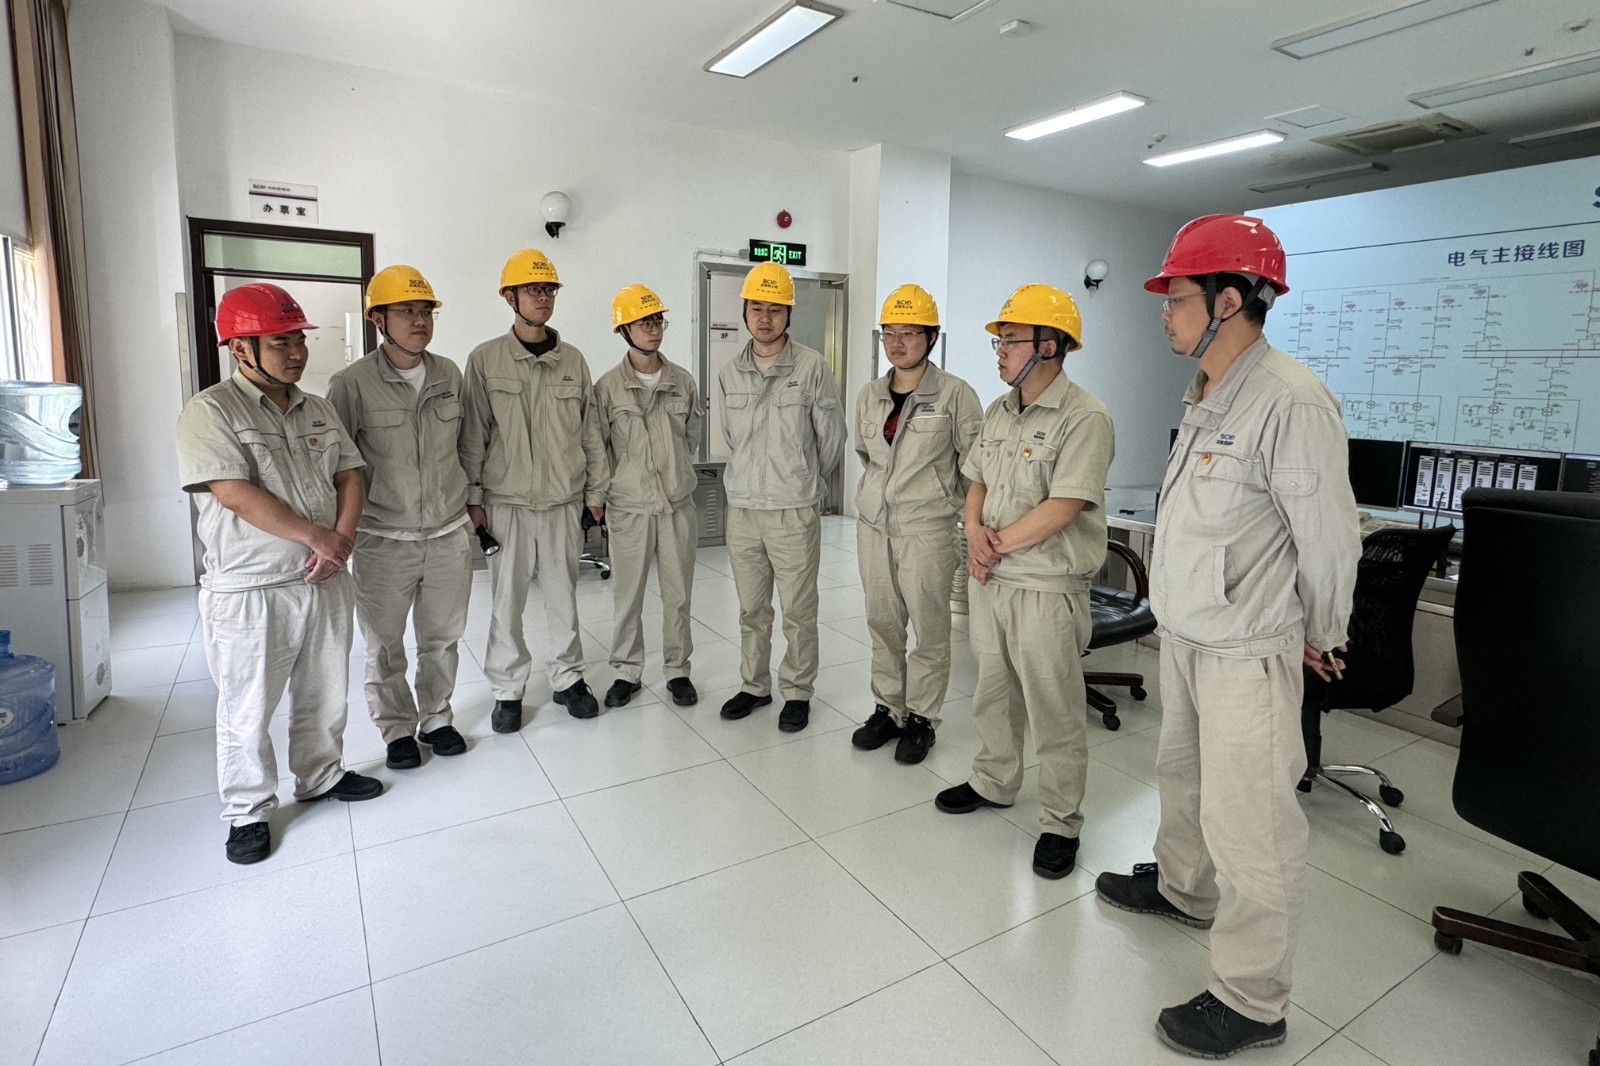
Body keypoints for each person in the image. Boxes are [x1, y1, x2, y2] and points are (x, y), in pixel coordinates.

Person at [1094, 214, 1360, 1059]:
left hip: (1248, 648)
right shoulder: (1208, 390)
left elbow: (1329, 538)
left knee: (1252, 825)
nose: (1164, 313)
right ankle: (1184, 890)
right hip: (1190, 635)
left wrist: (1324, 630)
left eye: (1176, 297)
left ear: (1230, 299)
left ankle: (1252, 999)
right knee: (1184, 782)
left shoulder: (1291, 399)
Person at [176, 283, 384, 866]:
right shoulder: (211, 411)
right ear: (239, 347)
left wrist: (341, 541)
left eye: (298, 340)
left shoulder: (316, 408)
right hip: (252, 587)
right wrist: (320, 537)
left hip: (323, 576)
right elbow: (233, 492)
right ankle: (248, 809)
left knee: (324, 690)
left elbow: (349, 474)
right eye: (279, 342)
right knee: (247, 706)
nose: (296, 353)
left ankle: (320, 775)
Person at [932, 284, 1113, 882]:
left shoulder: (1084, 416)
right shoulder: (998, 410)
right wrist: (973, 531)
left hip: (1046, 585)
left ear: (1050, 345)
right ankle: (995, 780)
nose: (1000, 351)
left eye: (1010, 340)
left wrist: (995, 544)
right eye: (1000, 341)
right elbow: (977, 480)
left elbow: (1065, 504)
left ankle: (1061, 821)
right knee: (992, 691)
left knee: (1053, 707)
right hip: (993, 578)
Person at [327, 265, 472, 771]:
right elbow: (338, 465)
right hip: (384, 538)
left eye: (425, 311)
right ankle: (396, 729)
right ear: (379, 320)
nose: (419, 321)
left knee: (442, 638)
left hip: (448, 533)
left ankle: (436, 717)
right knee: (384, 644)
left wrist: (470, 506)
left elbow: (466, 447)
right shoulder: (352, 384)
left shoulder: (449, 374)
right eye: (406, 311)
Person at [460, 249, 609, 732]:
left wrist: (595, 494)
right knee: (507, 603)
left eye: (548, 290)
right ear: (510, 297)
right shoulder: (485, 360)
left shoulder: (574, 361)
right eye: (532, 289)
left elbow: (590, 433)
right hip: (507, 504)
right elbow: (473, 435)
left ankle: (568, 679)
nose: (542, 297)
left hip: (563, 501)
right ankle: (508, 690)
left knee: (564, 598)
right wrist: (474, 499)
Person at [849, 284, 982, 765]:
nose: (897, 343)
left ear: (931, 337)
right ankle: (888, 708)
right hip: (875, 527)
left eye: (909, 333)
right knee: (883, 622)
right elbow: (867, 456)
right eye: (889, 333)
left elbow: (975, 466)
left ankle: (922, 717)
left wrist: (951, 508)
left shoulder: (955, 395)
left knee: (929, 626)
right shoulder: (869, 395)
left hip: (927, 529)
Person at [716, 261, 846, 733]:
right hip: (744, 511)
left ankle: (797, 690)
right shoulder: (730, 372)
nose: (765, 318)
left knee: (798, 610)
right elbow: (732, 439)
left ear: (789, 313)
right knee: (752, 610)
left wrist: (801, 480)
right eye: (757, 308)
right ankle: (754, 685)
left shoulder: (812, 367)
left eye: (775, 309)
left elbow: (831, 439)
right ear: (745, 312)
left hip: (793, 511)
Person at [593, 284, 702, 708]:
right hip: (630, 507)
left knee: (679, 594)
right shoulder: (607, 388)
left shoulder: (682, 383)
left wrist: (674, 475)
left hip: (676, 505)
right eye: (643, 322)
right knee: (628, 596)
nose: (653, 329)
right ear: (623, 329)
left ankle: (678, 670)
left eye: (657, 320)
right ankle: (627, 671)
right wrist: (607, 491)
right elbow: (599, 448)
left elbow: (690, 438)